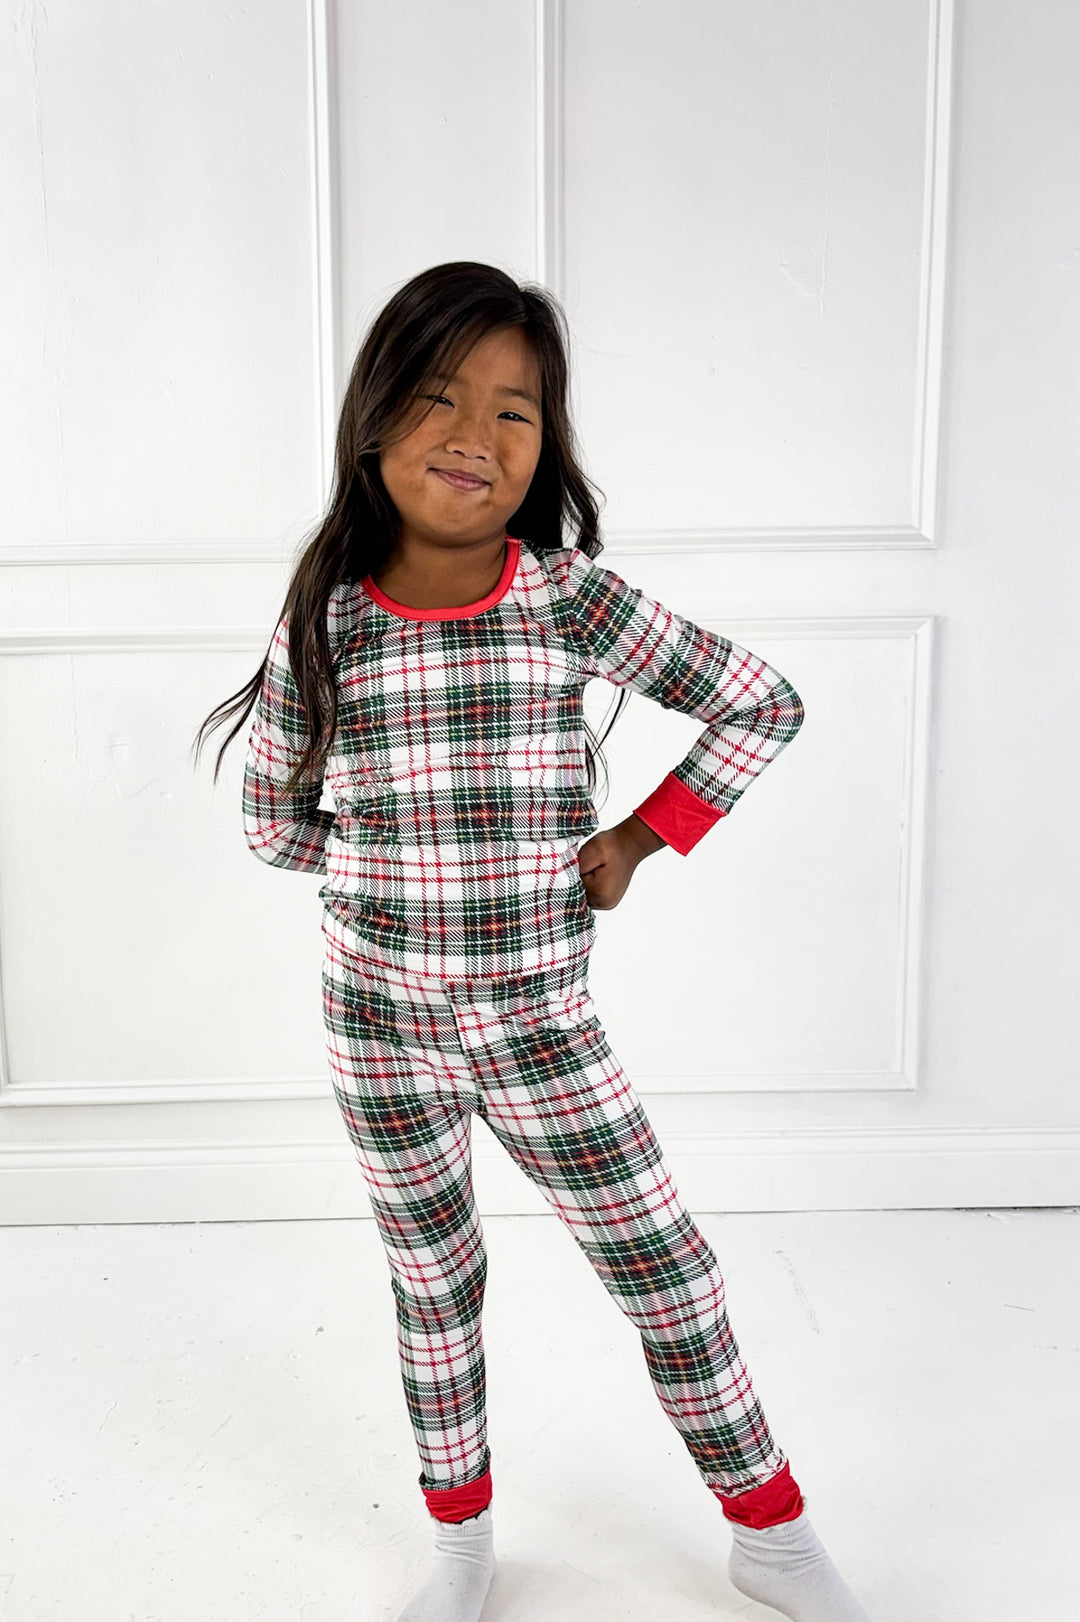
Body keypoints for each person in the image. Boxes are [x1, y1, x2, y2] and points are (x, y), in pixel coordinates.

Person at [195, 261, 872, 1622]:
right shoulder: (325, 623)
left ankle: (771, 1530)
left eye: (516, 411)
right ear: (374, 418)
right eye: (441, 397)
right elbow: (272, 824)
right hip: (379, 1032)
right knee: (434, 1284)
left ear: (546, 445)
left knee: (668, 1268)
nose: (477, 434)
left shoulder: (567, 599)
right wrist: (393, 875)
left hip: (540, 1027)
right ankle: (461, 1547)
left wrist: (637, 839)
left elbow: (762, 701)